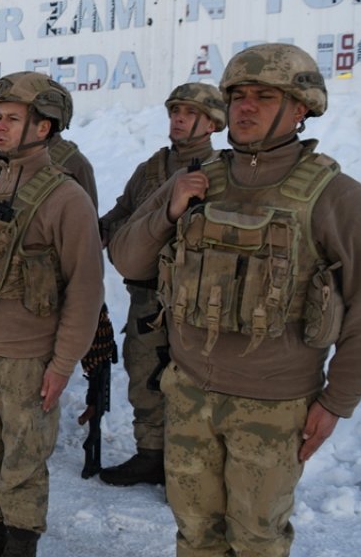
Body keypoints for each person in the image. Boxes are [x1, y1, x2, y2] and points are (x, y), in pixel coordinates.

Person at [110, 43, 361, 557]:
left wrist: (337, 402)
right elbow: (129, 261)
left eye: (264, 96)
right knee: (195, 535)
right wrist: (169, 212)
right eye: (238, 95)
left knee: (257, 540)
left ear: (301, 108)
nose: (244, 107)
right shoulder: (196, 181)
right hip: (189, 394)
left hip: (274, 407)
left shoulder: (337, 197)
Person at [0, 72, 104, 557]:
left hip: (28, 361)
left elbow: (85, 289)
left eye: (12, 118)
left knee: (24, 464)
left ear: (44, 127)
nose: (0, 127)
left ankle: (18, 545)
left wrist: (62, 365)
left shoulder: (65, 197)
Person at [95, 82, 225, 487]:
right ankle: (151, 453)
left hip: (199, 300)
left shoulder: (223, 172)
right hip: (148, 294)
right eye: (175, 111)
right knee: (144, 373)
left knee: (195, 385)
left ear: (212, 123)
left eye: (189, 112)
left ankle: (191, 471)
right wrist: (95, 235)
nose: (179, 118)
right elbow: (121, 212)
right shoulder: (151, 168)